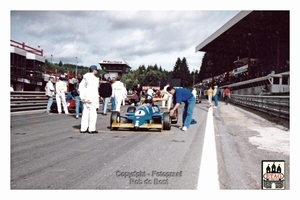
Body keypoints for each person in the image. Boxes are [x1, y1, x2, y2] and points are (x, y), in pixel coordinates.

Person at [79, 65, 100, 134]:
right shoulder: (94, 79)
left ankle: (83, 128)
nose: (96, 71)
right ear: (94, 70)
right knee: (93, 114)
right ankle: (91, 129)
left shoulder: (84, 78)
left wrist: (83, 98)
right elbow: (93, 90)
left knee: (85, 113)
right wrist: (90, 99)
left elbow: (81, 89)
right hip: (92, 99)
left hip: (84, 98)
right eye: (96, 70)